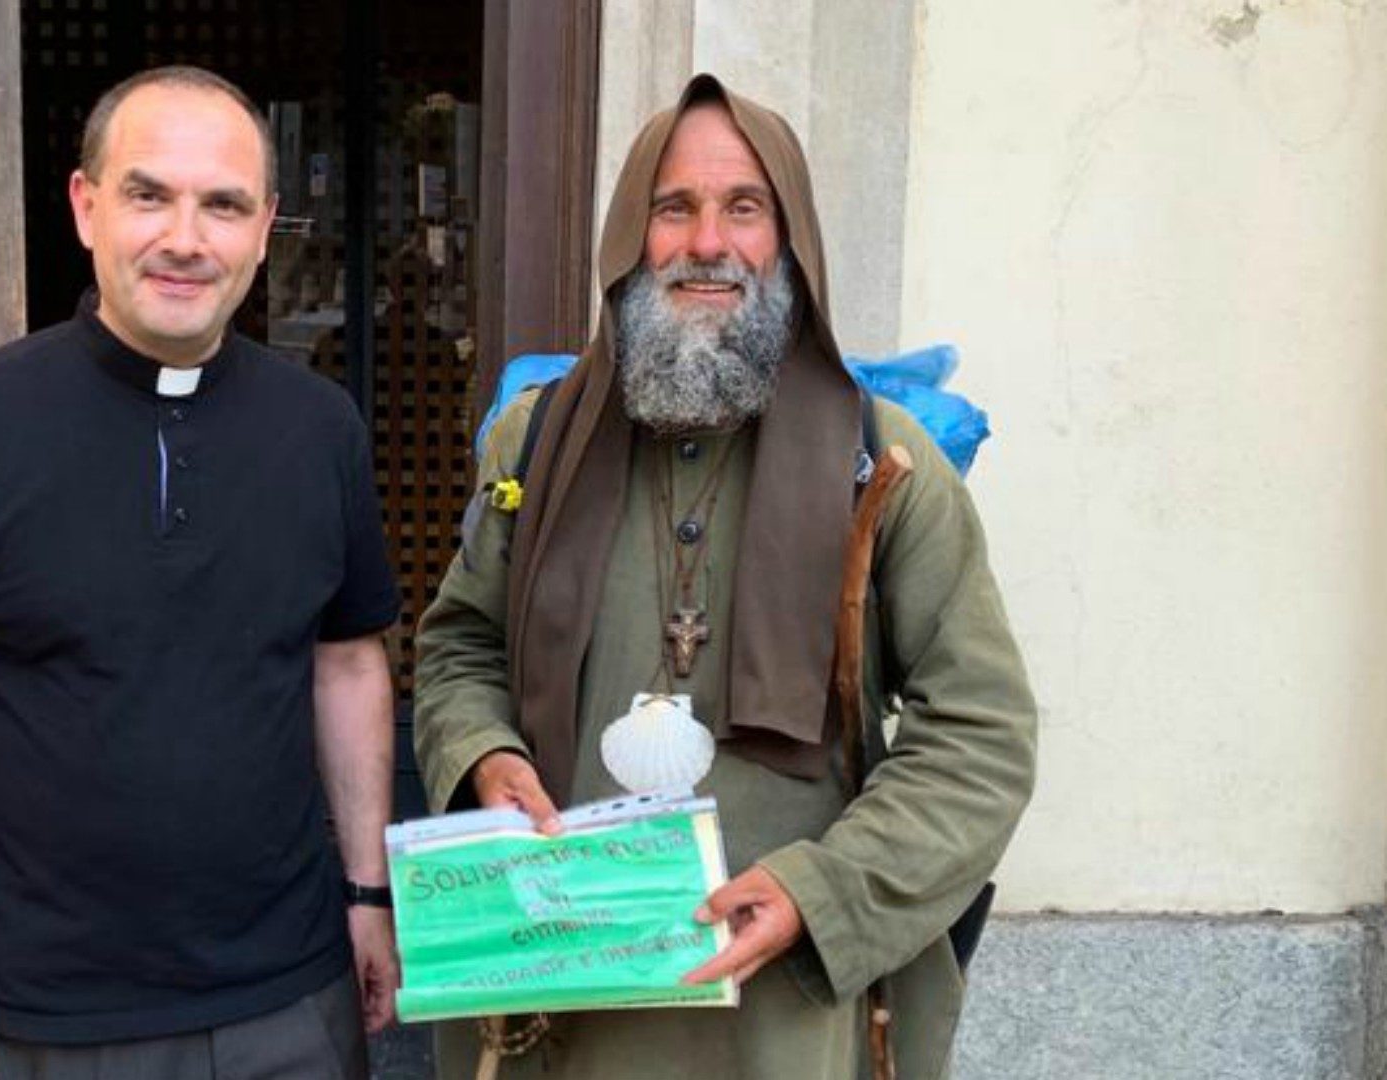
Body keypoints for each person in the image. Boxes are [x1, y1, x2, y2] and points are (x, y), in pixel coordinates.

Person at [412, 72, 1038, 1079]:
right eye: (675, 209)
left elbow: (983, 737)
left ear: (789, 243)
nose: (708, 243)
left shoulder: (885, 463)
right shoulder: (536, 445)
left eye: (745, 208)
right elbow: (460, 646)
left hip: (785, 1025)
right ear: (630, 239)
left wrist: (821, 894)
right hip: (557, 1006)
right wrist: (485, 754)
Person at [0, 65, 400, 1080]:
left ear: (265, 230)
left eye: (222, 205)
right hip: (47, 1018)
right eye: (149, 194)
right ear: (86, 207)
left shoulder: (321, 431)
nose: (186, 237)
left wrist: (367, 895)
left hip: (292, 1001)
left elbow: (347, 667)